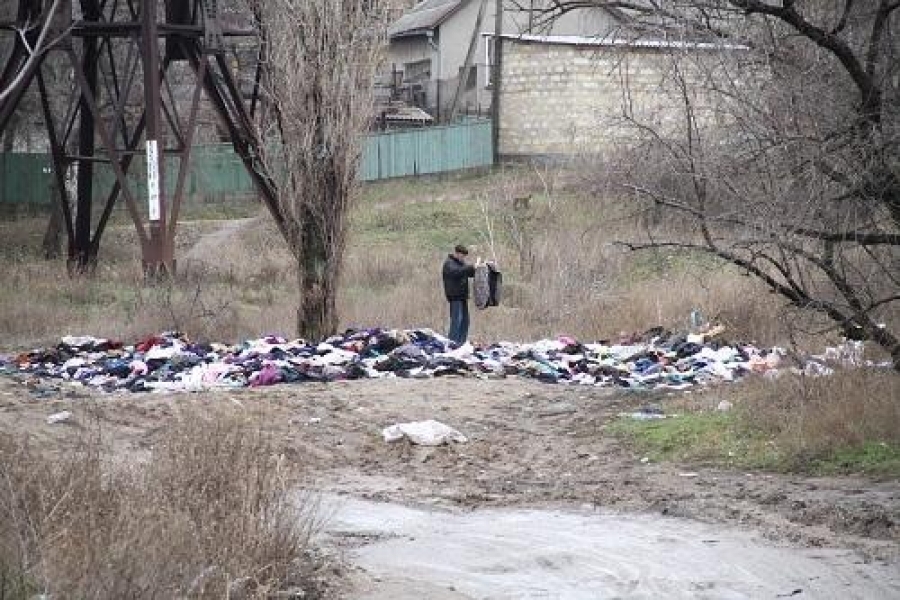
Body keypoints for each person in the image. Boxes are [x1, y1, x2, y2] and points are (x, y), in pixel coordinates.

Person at [442, 244, 480, 344]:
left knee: (465, 322)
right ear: (457, 253)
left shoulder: (461, 263)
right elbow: (457, 272)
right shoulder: (449, 264)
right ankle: (451, 344)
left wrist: (477, 268)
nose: (463, 258)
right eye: (462, 256)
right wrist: (471, 267)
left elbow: (468, 272)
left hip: (462, 297)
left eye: (464, 256)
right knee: (456, 321)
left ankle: (461, 344)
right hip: (455, 297)